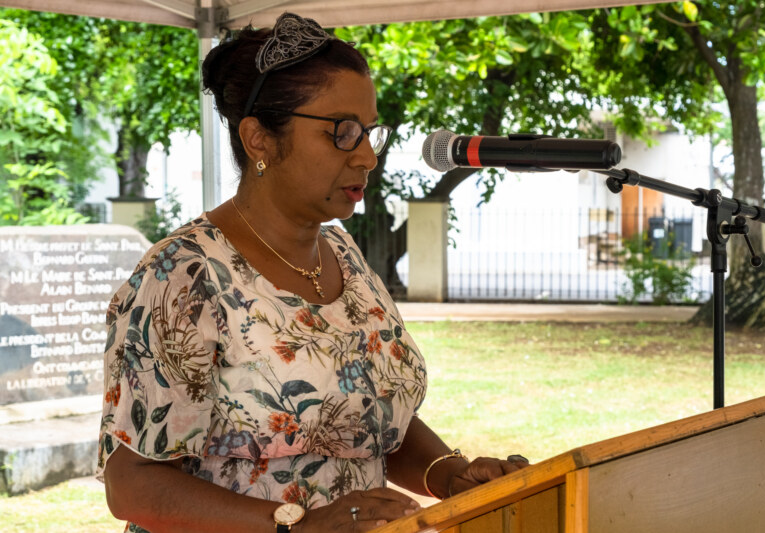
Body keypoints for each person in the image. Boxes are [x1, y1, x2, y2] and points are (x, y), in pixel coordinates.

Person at [97, 12, 528, 533]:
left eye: (370, 133)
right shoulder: (184, 276)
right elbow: (133, 483)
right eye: (343, 132)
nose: (367, 157)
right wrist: (295, 525)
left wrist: (449, 474)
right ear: (258, 139)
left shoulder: (342, 254)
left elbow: (366, 420)